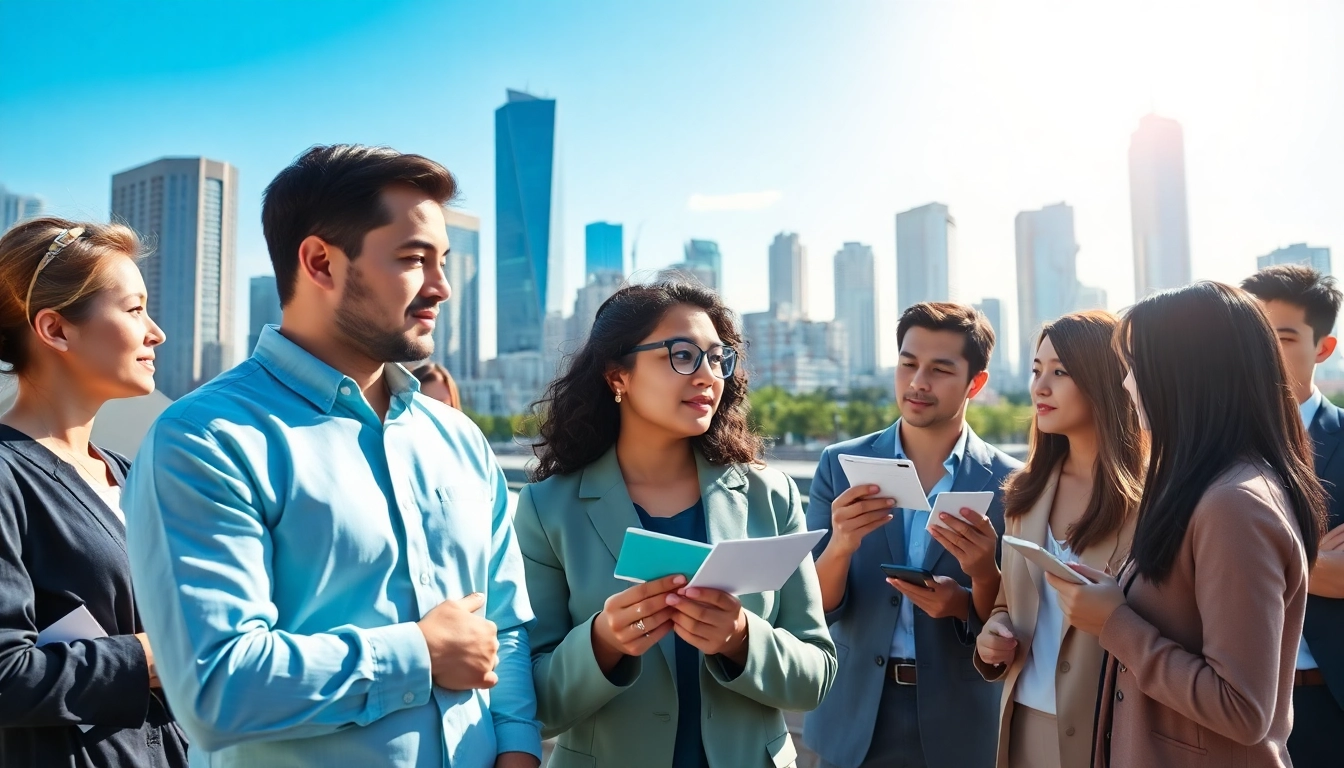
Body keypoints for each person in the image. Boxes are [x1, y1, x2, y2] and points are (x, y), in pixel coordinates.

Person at [123, 145, 541, 768]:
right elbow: (215, 689)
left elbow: (503, 628)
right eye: (413, 259)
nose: (442, 287)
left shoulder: (459, 439)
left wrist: (517, 750)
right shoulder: (205, 439)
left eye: (443, 261)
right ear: (320, 262)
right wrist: (417, 654)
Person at [514, 282, 836, 768]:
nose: (707, 375)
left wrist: (741, 638)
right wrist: (603, 642)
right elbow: (535, 705)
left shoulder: (770, 496)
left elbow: (817, 675)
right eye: (682, 355)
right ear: (617, 375)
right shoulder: (547, 508)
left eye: (716, 357)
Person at [1050, 281, 1326, 768]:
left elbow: (1242, 709)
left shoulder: (1234, 505)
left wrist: (1114, 622)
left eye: (1135, 367)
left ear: (1185, 374)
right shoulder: (1207, 485)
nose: (1125, 385)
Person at [803, 301, 1021, 768]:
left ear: (975, 383)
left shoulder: (1012, 483)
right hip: (855, 717)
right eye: (908, 364)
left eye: (940, 370)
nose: (918, 382)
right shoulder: (839, 465)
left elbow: (1015, 620)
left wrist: (972, 589)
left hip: (961, 726)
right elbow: (812, 606)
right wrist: (840, 545)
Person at [0, 218, 185, 766]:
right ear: (56, 330)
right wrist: (153, 657)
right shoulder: (8, 477)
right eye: (134, 310)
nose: (156, 332)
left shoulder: (131, 473)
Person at [972, 311, 1145, 768]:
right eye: (1035, 370)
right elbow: (1008, 604)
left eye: (1059, 372)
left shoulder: (1152, 500)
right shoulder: (1024, 493)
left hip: (1110, 733)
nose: (1039, 387)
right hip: (1022, 724)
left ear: (1104, 379)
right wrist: (994, 635)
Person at [1241, 264, 1344, 768]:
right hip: (1234, 704)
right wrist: (1306, 563)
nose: (1261, 352)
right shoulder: (1205, 452)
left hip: (1329, 701)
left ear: (1322, 349)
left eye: (1280, 337)